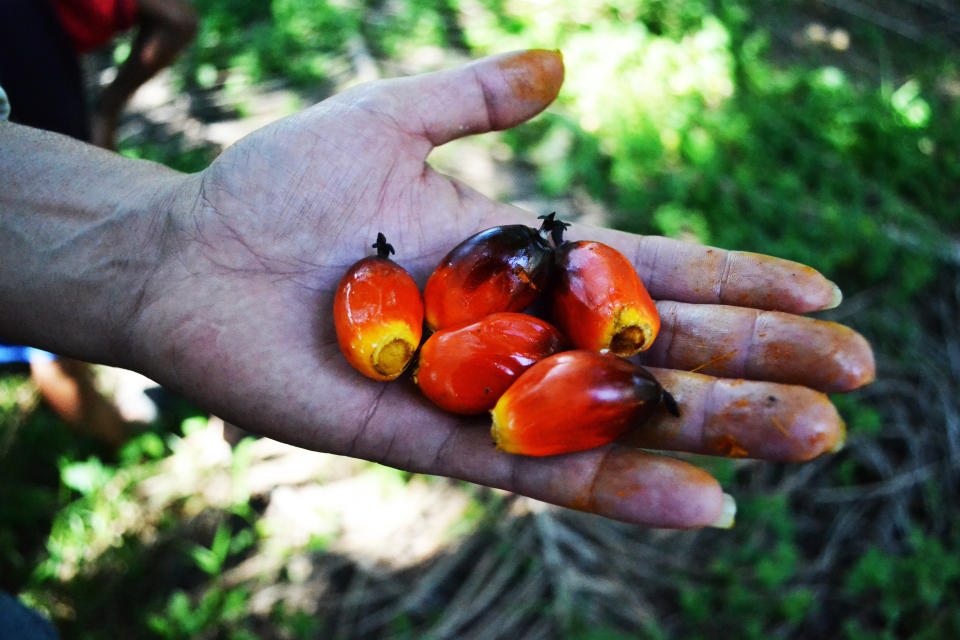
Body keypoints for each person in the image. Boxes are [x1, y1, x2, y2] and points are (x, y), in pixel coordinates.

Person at [0, 50, 875, 530]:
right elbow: (511, 335)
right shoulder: (448, 324)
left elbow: (524, 338)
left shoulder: (499, 334)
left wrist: (157, 247)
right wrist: (170, 247)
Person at [0, 0, 197, 445]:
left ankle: (122, 438)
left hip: (44, 194)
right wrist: (105, 111)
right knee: (53, 346)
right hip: (66, 171)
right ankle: (123, 446)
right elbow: (176, 18)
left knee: (53, 341)